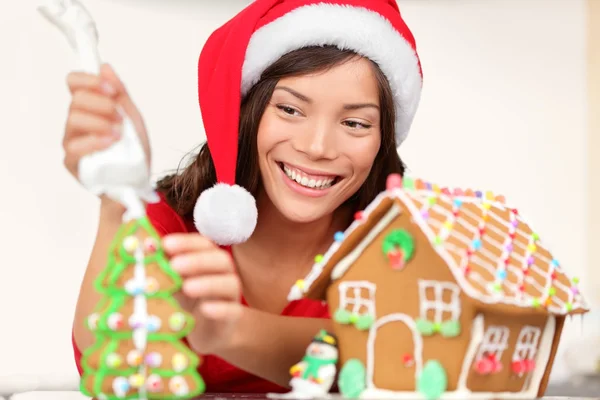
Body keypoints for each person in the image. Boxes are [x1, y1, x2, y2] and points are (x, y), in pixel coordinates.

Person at [64, 0, 423, 394]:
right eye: (289, 109)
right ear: (248, 112)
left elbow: (385, 356)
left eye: (355, 123)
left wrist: (229, 330)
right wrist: (117, 200)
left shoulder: (401, 243)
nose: (318, 147)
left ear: (382, 138)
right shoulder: (168, 225)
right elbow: (104, 351)